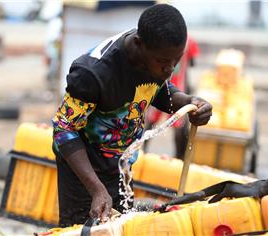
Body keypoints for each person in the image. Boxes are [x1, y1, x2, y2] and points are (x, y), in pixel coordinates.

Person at [52, 4, 213, 227]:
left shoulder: (155, 58)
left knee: (122, 228)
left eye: (176, 60)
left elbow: (158, 90)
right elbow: (63, 130)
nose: (170, 70)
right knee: (84, 231)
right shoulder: (93, 73)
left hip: (121, 166)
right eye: (164, 63)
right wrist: (97, 189)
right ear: (139, 44)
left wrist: (188, 102)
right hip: (85, 170)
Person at [144, 37, 199, 159]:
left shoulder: (160, 39)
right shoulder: (189, 42)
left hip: (159, 86)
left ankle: (141, 151)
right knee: (178, 124)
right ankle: (180, 158)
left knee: (150, 121)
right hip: (177, 87)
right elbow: (192, 64)